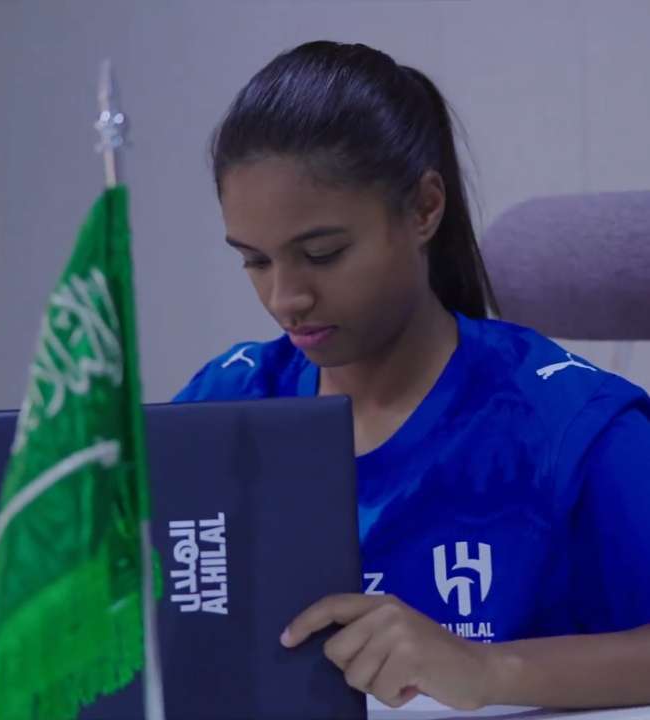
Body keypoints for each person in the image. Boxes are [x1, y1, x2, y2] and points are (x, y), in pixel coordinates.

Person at [175, 41, 650, 710]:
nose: (285, 299)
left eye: (323, 253)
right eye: (254, 261)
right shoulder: (224, 410)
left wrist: (489, 670)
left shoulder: (571, 430)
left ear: (425, 208)